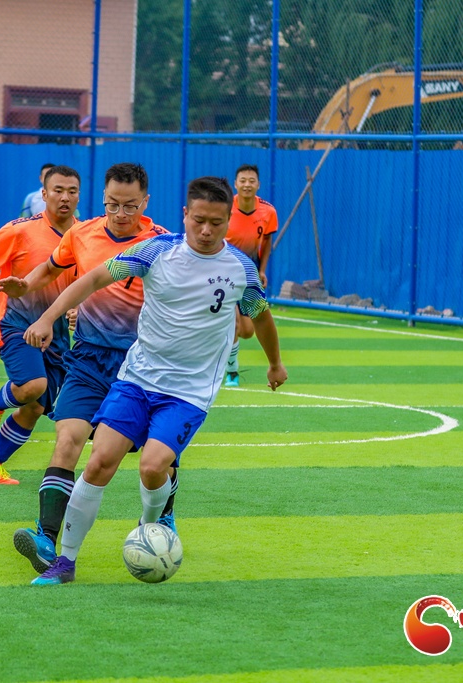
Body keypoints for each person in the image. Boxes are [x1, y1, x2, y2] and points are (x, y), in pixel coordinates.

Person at [16, 176, 287, 585]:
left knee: (153, 465)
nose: (206, 230)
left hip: (189, 391)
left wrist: (275, 363)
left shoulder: (240, 269)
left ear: (229, 220)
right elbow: (92, 279)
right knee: (99, 462)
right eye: (199, 220)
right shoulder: (156, 251)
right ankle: (64, 563)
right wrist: (47, 317)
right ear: (185, 214)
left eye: (216, 222)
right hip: (137, 379)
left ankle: (149, 526)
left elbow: (261, 318)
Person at [0, 162, 171, 574]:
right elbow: (52, 268)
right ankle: (45, 537)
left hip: (142, 365)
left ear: (145, 202)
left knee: (158, 455)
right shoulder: (82, 233)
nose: (121, 214)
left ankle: (163, 519)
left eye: (130, 206)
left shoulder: (162, 244)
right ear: (103, 199)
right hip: (88, 359)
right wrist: (27, 284)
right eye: (112, 204)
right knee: (68, 439)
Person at [0, 165, 81, 484]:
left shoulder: (84, 236)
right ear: (44, 194)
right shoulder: (21, 230)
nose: (65, 197)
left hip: (56, 333)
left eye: (72, 191)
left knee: (35, 408)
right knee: (34, 385)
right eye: (58, 190)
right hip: (15, 322)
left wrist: (77, 308)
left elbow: (86, 281)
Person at [223, 164, 278, 387]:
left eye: (251, 181)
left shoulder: (268, 211)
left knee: (247, 331)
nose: (247, 184)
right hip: (224, 272)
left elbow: (267, 240)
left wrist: (262, 269)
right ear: (235, 184)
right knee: (233, 325)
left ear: (258, 184)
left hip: (249, 273)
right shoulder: (225, 207)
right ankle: (232, 372)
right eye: (243, 180)